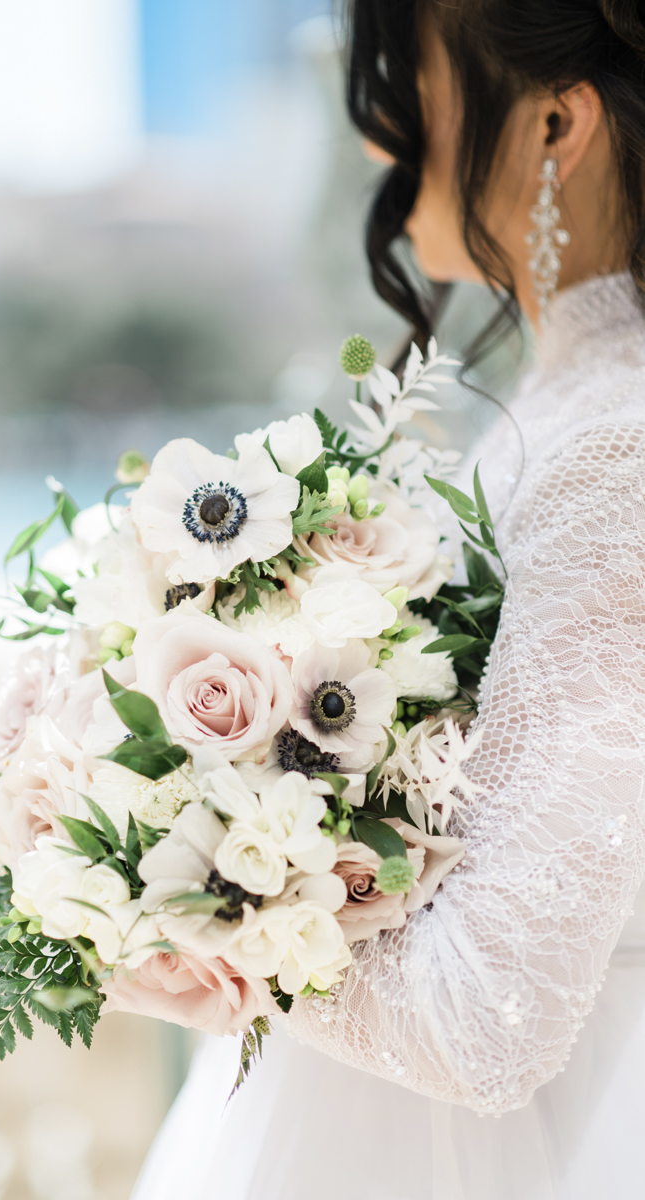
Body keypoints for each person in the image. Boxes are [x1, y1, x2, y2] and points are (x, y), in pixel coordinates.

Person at [132, 3, 645, 1196]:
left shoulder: (612, 455)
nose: (376, 139)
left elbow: (487, 1018)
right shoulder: (570, 413)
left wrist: (171, 904)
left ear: (555, 123)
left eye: (409, 82)